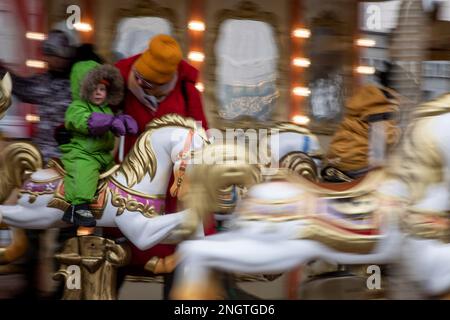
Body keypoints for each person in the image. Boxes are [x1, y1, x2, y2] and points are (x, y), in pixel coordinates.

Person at [109, 34, 211, 299]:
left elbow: (201, 135)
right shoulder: (121, 80)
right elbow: (96, 111)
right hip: (134, 176)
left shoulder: (187, 90)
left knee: (181, 250)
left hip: (172, 185)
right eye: (140, 79)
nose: (142, 85)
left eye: (150, 83)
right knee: (114, 246)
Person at [61, 60, 137, 227]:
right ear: (84, 89)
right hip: (83, 153)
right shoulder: (76, 107)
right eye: (93, 89)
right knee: (86, 172)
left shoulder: (106, 109)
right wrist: (109, 121)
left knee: (121, 178)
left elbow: (111, 125)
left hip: (103, 156)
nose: (98, 93)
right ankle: (78, 206)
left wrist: (123, 122)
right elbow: (85, 121)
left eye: (102, 89)